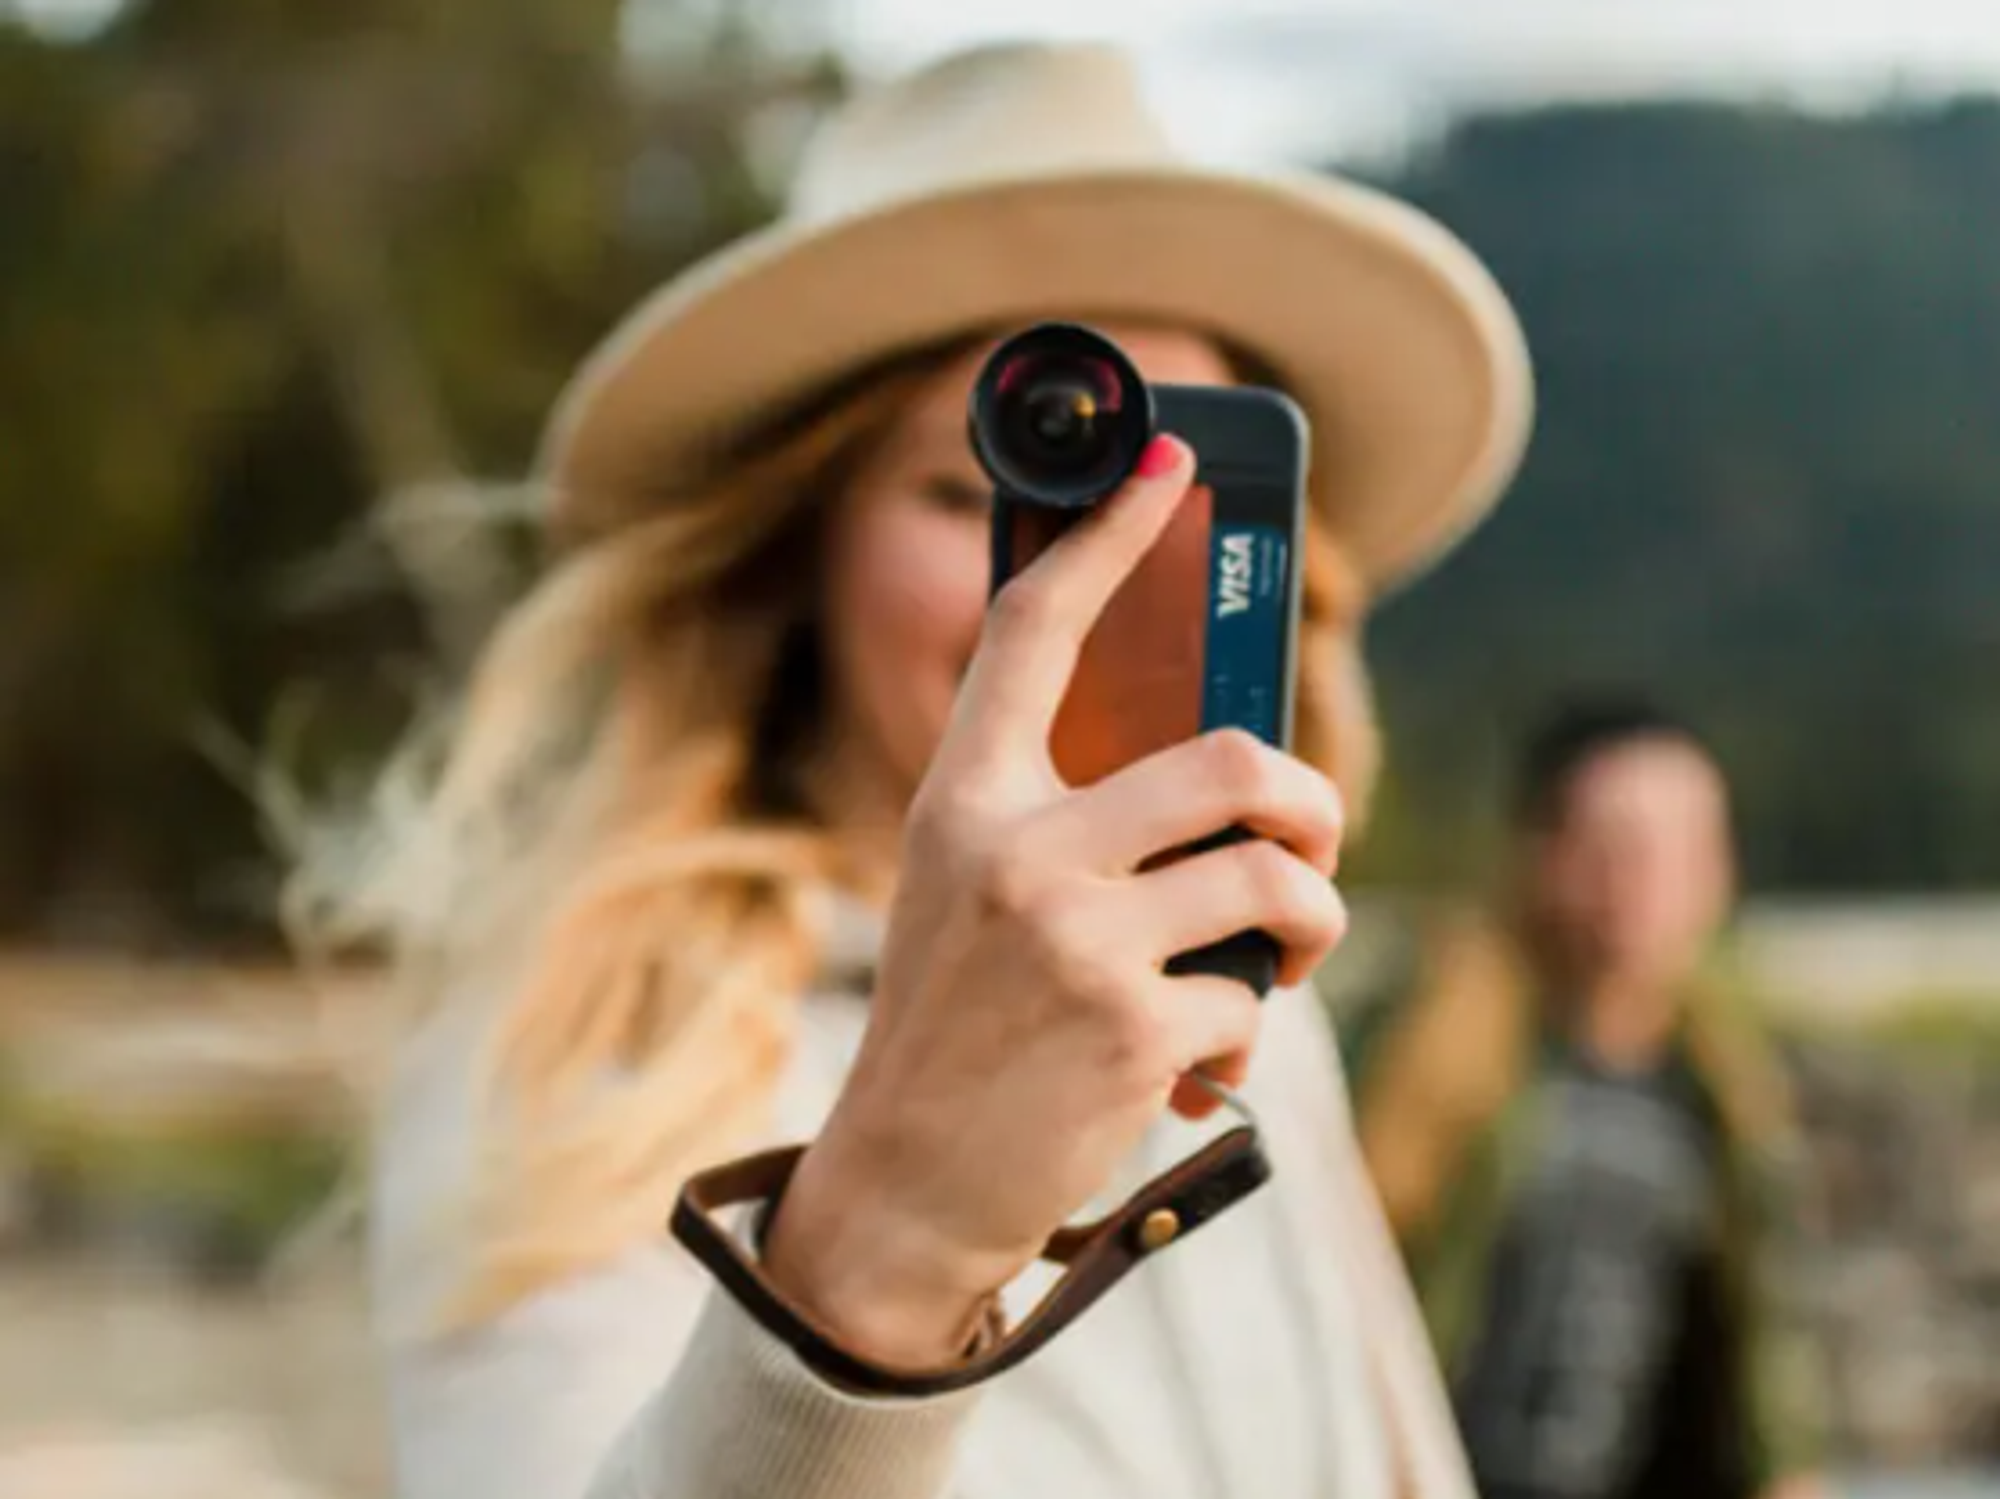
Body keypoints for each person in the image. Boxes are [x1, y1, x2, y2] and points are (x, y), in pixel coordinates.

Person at [301, 41, 1535, 1499]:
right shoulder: (582, 1053)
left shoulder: (1259, 1012)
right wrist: (880, 1251)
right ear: (800, 541)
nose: (1073, 584)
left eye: (1171, 506)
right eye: (987, 492)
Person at [1347, 697, 1828, 1499]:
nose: (1651, 881)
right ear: (1543, 853)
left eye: (1687, 848)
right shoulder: (1428, 1053)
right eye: (1620, 845)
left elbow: (1760, 1371)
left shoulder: (1722, 1087)